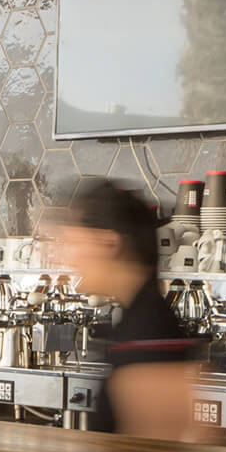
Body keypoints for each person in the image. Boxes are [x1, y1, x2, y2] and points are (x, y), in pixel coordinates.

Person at [51, 181, 205, 438]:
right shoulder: (139, 322)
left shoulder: (149, 335)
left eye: (73, 243)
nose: (68, 257)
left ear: (108, 244)